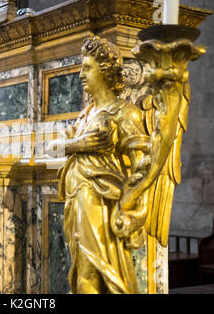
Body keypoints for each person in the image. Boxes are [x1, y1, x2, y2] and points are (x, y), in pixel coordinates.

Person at [47, 33, 151, 294]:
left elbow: (144, 167)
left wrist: (133, 211)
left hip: (101, 201)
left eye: (87, 67)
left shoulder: (125, 113)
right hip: (75, 198)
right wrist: (80, 145)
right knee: (80, 267)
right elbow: (53, 147)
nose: (81, 74)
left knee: (93, 269)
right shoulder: (84, 116)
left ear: (104, 71)